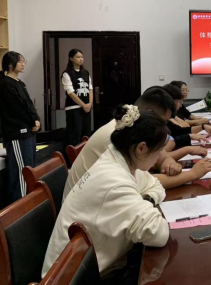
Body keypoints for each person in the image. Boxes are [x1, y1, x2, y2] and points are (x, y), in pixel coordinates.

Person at [43, 106, 170, 279]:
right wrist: (144, 204)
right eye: (159, 150)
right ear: (141, 148)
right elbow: (158, 233)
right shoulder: (114, 180)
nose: (160, 156)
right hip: (72, 277)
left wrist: (146, 200)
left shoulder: (120, 159)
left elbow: (155, 185)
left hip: (88, 268)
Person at [64, 87, 211, 198]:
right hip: (85, 218)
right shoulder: (118, 134)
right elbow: (145, 181)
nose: (163, 128)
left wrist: (167, 162)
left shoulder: (130, 127)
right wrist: (192, 174)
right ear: (149, 113)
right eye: (161, 122)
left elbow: (160, 156)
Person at [0, 52, 41, 203]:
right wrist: (32, 121)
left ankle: (29, 198)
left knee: (29, 167)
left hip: (28, 132)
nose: (23, 64)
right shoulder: (5, 84)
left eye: (24, 61)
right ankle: (21, 203)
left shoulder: (19, 83)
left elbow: (28, 105)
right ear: (10, 64)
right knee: (21, 169)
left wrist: (36, 119)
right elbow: (16, 109)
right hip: (17, 133)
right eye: (20, 61)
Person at [162, 84, 211, 148]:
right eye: (179, 101)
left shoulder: (169, 116)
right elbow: (164, 151)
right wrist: (189, 147)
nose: (180, 105)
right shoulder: (157, 122)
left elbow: (180, 130)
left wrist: (203, 127)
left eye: (186, 90)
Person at [62, 49, 93, 147]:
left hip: (86, 108)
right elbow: (70, 92)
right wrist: (83, 105)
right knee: (75, 135)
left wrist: (90, 103)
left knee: (86, 135)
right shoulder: (67, 73)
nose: (81, 59)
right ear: (71, 58)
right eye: (78, 57)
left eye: (82, 57)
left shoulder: (86, 73)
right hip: (73, 108)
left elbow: (90, 89)